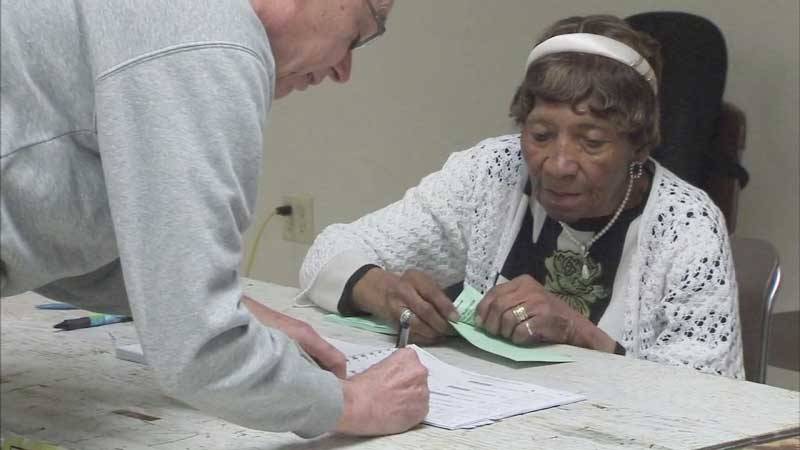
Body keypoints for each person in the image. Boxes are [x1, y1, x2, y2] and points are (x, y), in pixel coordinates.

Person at [1, 0, 430, 438]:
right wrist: (354, 403)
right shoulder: (211, 36)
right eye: (359, 32)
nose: (344, 70)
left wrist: (238, 310)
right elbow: (199, 349)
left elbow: (42, 223)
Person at [300, 14, 745, 379]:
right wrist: (384, 293)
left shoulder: (687, 223)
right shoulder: (491, 173)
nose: (558, 163)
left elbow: (711, 388)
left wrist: (578, 331)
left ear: (638, 144)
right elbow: (327, 254)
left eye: (591, 142)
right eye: (540, 134)